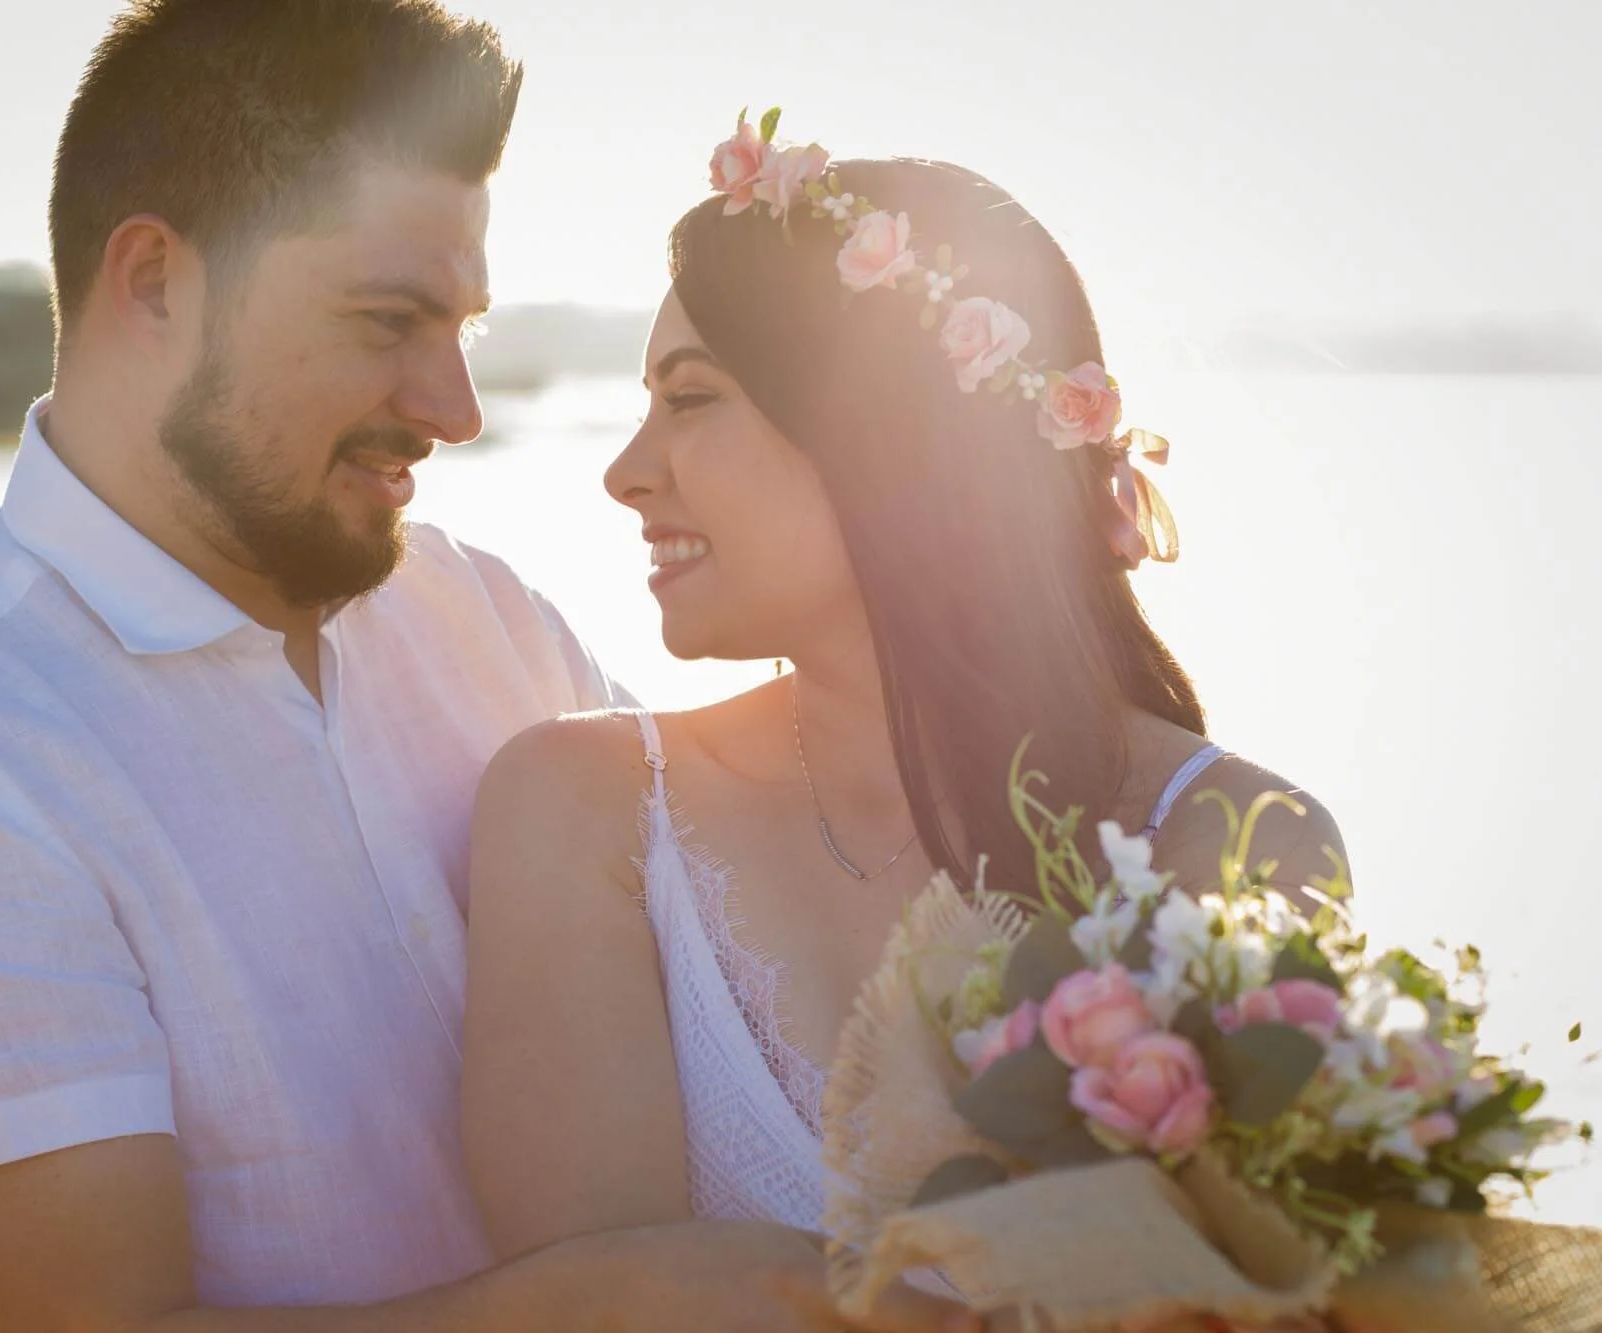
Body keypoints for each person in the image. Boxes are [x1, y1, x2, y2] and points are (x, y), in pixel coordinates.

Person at [0, 10, 975, 1333]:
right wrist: (607, 1304)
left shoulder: (476, 609)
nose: (455, 406)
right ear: (157, 282)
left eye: (461, 326)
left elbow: (758, 951)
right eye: (389, 319)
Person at [460, 128, 1348, 1297]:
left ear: (882, 432)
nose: (626, 469)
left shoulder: (1228, 837)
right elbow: (589, 1304)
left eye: (689, 398)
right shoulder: (583, 812)